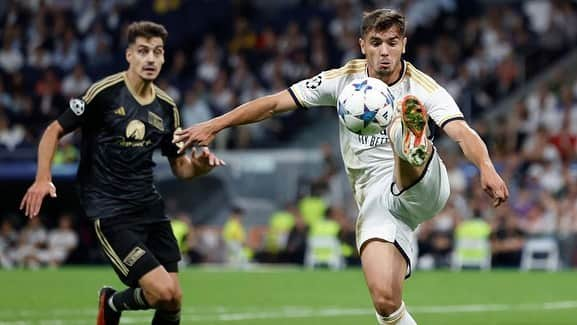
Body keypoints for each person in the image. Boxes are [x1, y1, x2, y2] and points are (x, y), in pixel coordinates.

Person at [176, 9, 509, 323]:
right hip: (377, 200)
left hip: (425, 184)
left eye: (393, 43)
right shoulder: (343, 81)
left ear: (404, 45)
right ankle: (405, 141)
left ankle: (408, 138)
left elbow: (462, 132)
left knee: (401, 129)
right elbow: (275, 103)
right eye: (376, 43)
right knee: (385, 301)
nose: (384, 52)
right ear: (362, 45)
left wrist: (486, 167)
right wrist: (215, 125)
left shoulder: (422, 88)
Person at [20, 21, 225, 325]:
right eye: (143, 51)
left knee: (173, 299)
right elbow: (53, 131)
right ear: (129, 55)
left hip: (149, 207)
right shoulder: (104, 93)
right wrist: (42, 177)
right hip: (110, 208)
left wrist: (199, 167)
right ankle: (113, 303)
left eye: (157, 52)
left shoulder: (167, 107)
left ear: (164, 58)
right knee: (161, 292)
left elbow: (180, 168)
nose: (151, 59)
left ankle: (112, 302)